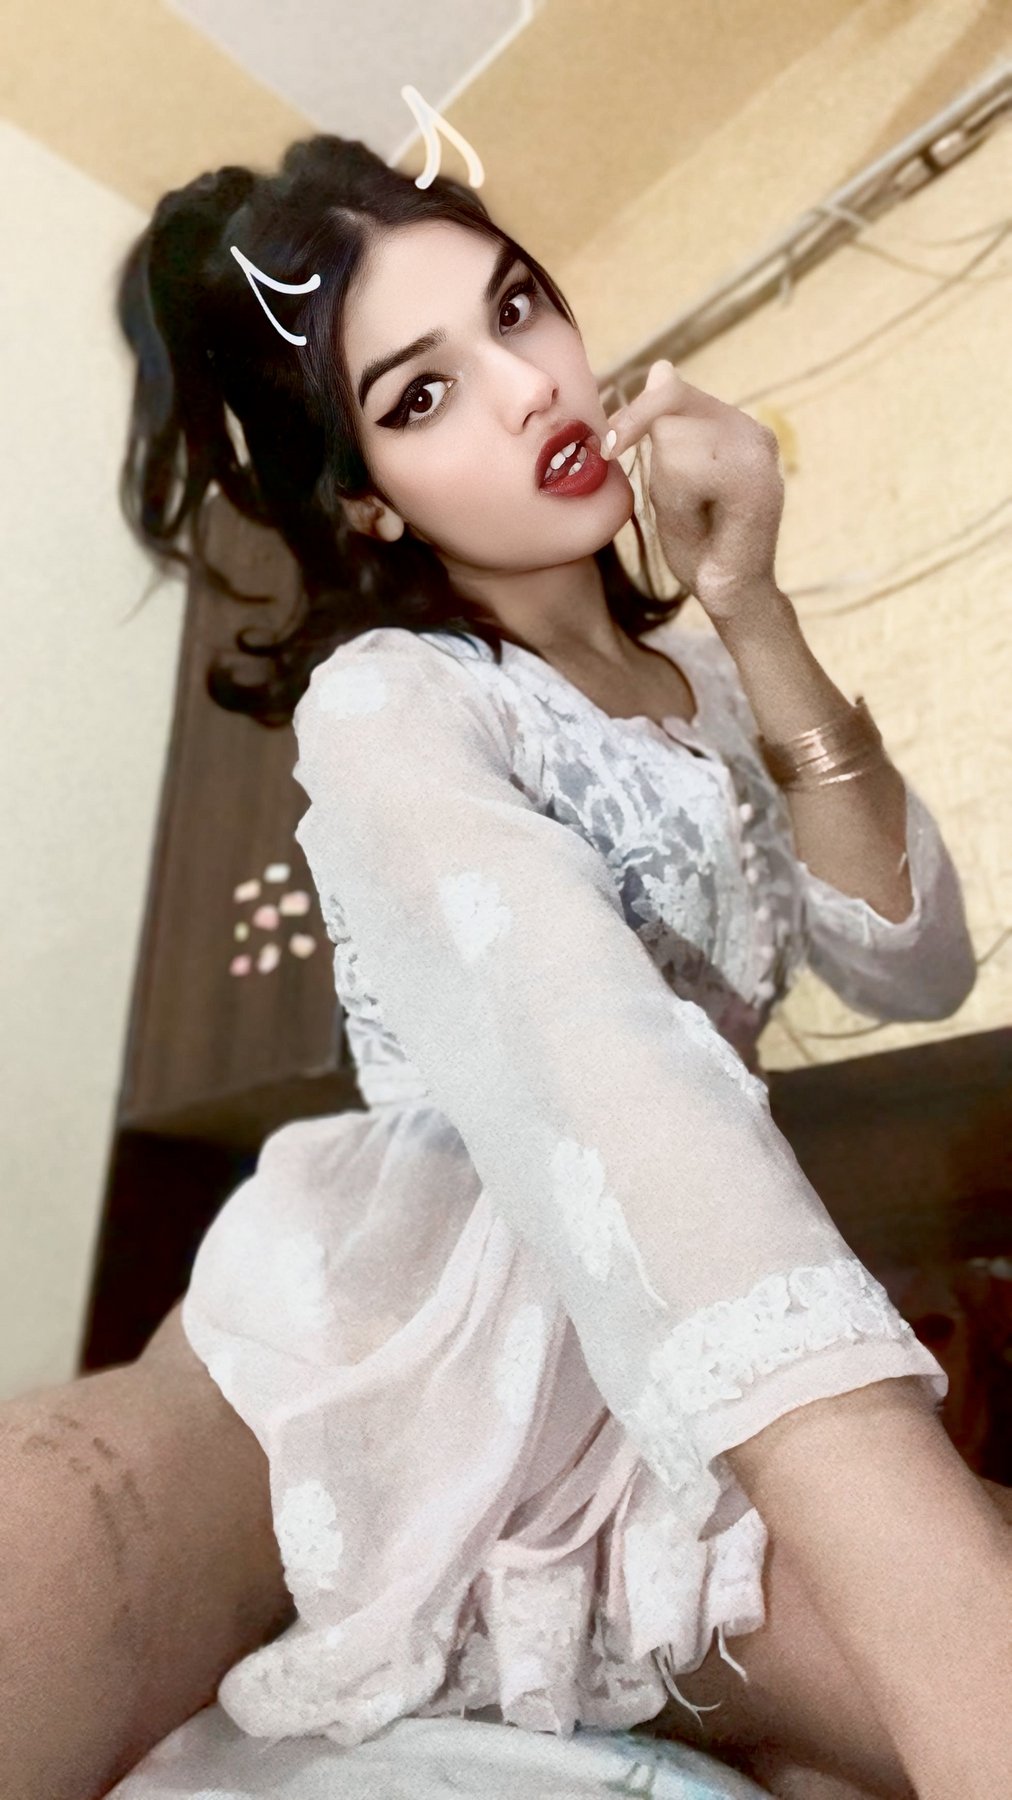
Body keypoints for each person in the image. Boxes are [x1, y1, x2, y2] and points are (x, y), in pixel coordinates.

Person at [13, 131, 1006, 1798]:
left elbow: (917, 967)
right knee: (63, 1527)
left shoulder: (710, 688)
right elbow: (597, 1065)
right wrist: (853, 1447)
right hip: (381, 1338)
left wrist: (752, 606)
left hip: (655, 1380)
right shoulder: (397, 704)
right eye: (421, 396)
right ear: (364, 496)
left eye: (519, 308)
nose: (529, 386)